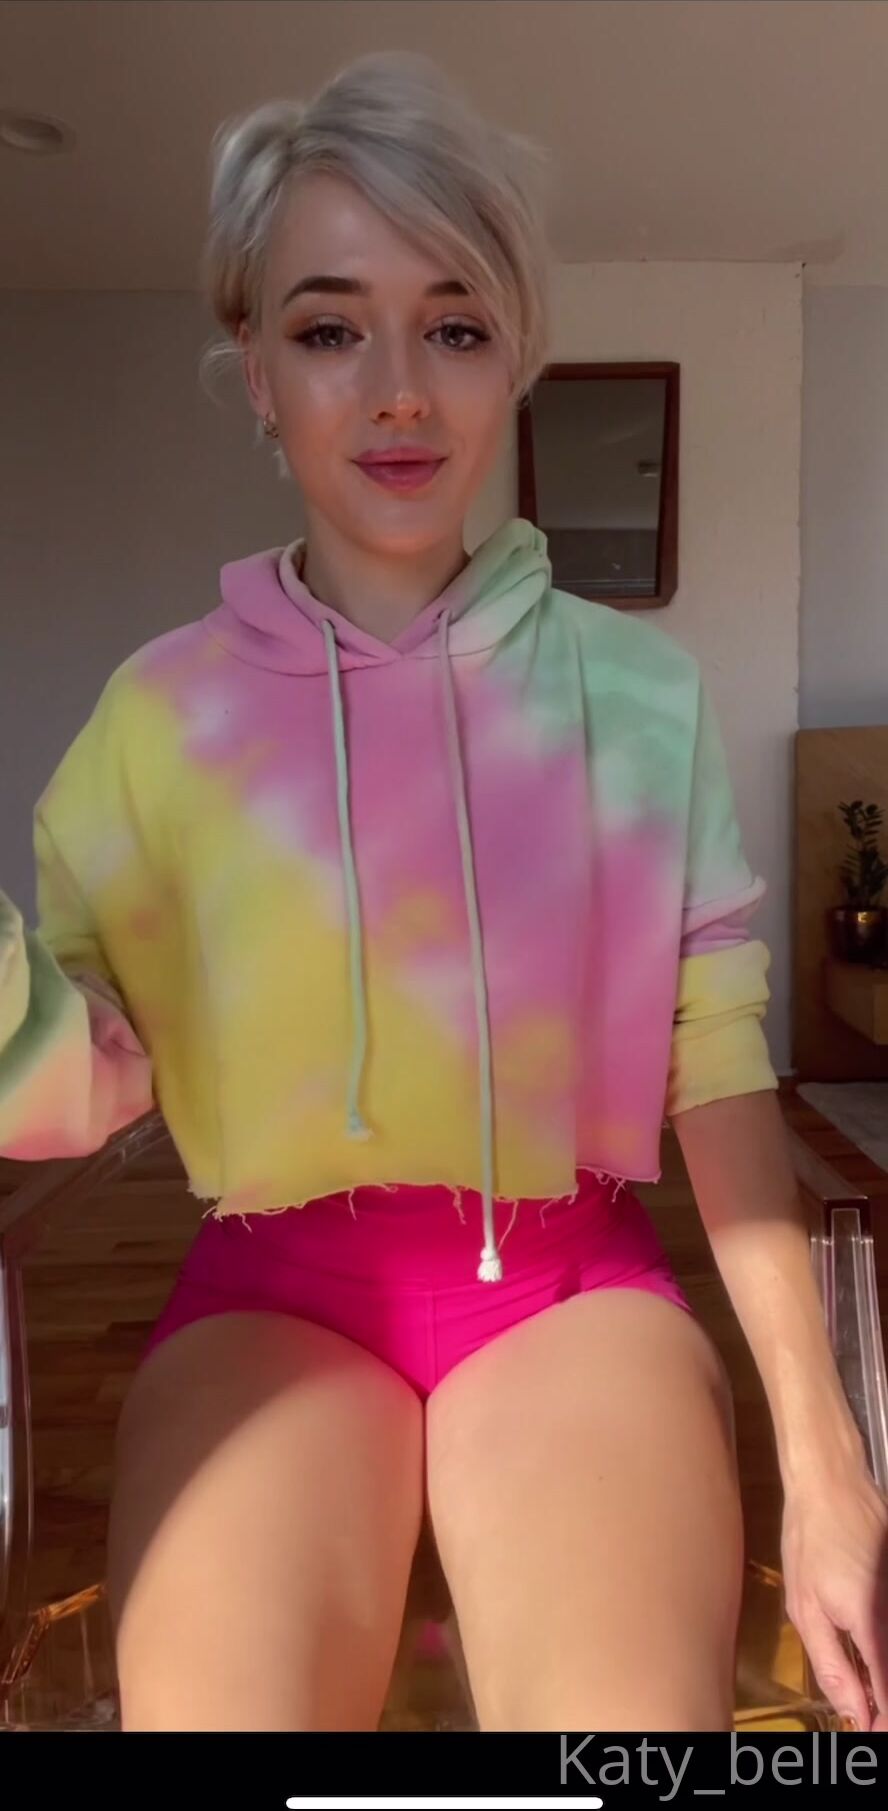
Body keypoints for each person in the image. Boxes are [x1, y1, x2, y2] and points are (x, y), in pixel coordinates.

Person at [1, 50, 885, 1735]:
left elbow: (715, 1062)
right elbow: (90, 1073)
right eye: (331, 329)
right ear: (258, 370)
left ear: (515, 359)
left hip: (571, 1291)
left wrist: (829, 1457)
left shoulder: (638, 703)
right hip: (268, 1293)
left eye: (456, 327)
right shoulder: (155, 723)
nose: (398, 391)